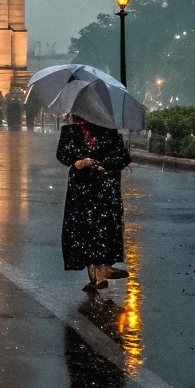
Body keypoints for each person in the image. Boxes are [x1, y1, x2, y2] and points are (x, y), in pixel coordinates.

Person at [57, 114, 132, 291]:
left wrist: (100, 163)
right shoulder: (71, 131)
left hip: (105, 188)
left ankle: (100, 270)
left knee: (102, 227)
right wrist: (77, 162)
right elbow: (62, 154)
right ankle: (97, 273)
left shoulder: (109, 132)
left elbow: (122, 158)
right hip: (82, 188)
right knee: (84, 228)